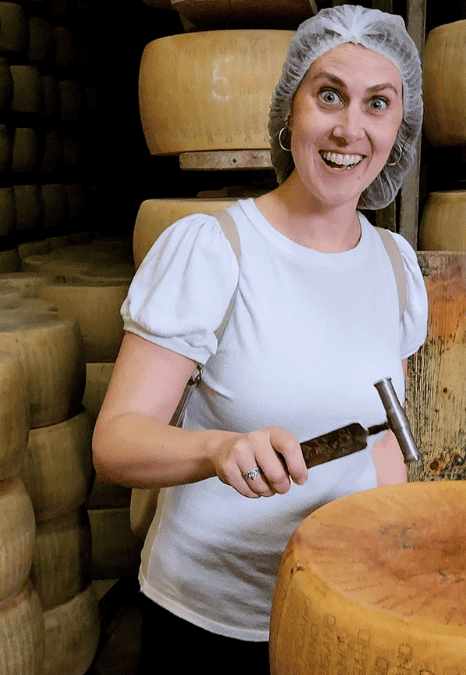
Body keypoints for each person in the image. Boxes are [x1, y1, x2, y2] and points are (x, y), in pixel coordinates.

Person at [91, 6, 427, 673]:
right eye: (328, 94)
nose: (348, 128)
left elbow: (385, 436)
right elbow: (115, 441)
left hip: (338, 606)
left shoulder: (395, 263)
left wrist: (398, 558)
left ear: (400, 127)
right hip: (211, 621)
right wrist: (217, 448)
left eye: (378, 104)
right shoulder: (216, 250)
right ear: (290, 110)